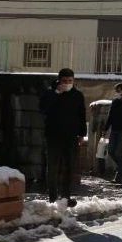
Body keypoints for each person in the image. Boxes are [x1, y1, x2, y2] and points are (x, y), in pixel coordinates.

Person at [39, 68, 86, 207]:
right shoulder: (50, 93)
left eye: (70, 81)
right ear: (59, 80)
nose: (68, 83)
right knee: (52, 168)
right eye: (65, 81)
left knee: (69, 167)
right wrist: (56, 93)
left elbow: (82, 115)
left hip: (71, 137)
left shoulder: (77, 95)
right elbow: (43, 109)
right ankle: (53, 197)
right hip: (53, 136)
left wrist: (82, 134)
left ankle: (66, 196)